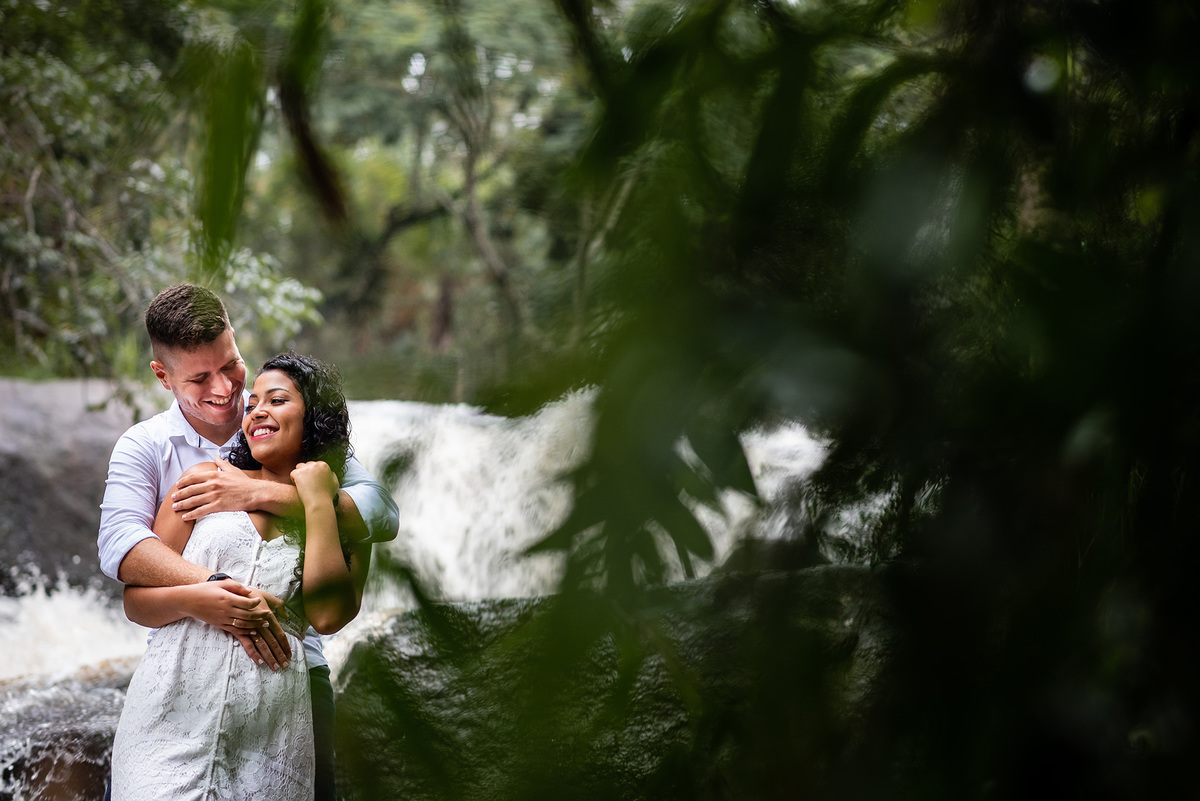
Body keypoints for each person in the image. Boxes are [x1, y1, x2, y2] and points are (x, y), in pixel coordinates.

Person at [97, 284, 399, 800]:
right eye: (199, 378)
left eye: (231, 364)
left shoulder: (288, 430)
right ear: (162, 375)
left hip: (292, 674)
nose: (230, 392)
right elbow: (124, 551)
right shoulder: (152, 451)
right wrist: (218, 593)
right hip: (182, 670)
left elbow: (380, 513)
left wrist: (259, 491)